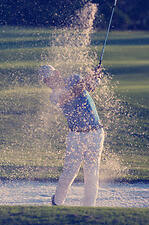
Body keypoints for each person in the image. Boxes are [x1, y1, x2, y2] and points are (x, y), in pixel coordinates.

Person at [39, 64, 104, 206]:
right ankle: (57, 202)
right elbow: (70, 95)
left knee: (92, 174)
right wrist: (87, 80)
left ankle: (88, 210)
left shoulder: (75, 78)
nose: (48, 83)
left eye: (48, 78)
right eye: (45, 81)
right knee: (69, 174)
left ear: (56, 73)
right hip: (75, 136)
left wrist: (95, 77)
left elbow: (89, 87)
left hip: (96, 133)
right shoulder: (54, 96)